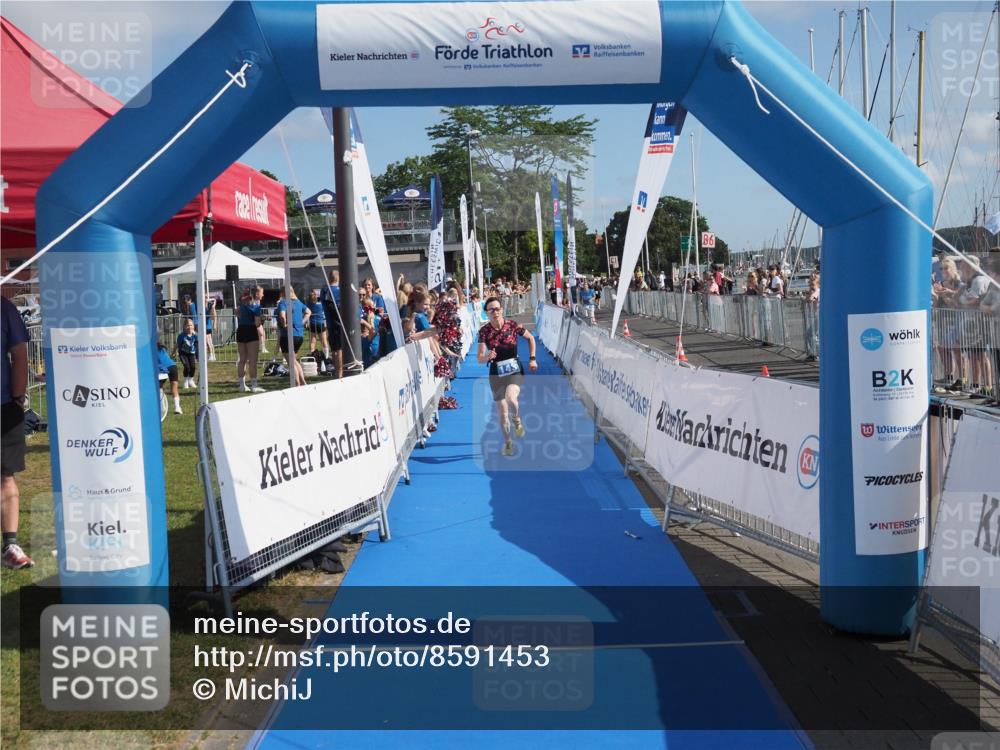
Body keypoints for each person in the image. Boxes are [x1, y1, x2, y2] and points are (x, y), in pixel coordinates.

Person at [477, 296, 538, 457]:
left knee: (511, 398)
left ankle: (517, 419)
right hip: (496, 372)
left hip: (514, 369)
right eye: (491, 310)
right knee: (502, 412)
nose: (495, 312)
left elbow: (531, 338)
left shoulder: (512, 325)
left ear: (502, 310)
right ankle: (508, 443)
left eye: (497, 309)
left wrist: (532, 359)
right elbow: (479, 359)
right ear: (486, 313)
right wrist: (487, 357)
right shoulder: (484, 331)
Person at [1, 296, 33, 568]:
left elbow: (20, 355)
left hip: (3, 406)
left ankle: (10, 544)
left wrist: (17, 397)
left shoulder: (5, 308)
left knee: (4, 476)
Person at [276, 289, 310, 387]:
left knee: (291, 362)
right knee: (294, 360)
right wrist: (302, 322)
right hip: (299, 335)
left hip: (288, 336)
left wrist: (284, 324)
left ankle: (297, 383)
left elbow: (282, 316)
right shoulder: (298, 302)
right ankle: (302, 381)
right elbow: (308, 312)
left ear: (283, 293)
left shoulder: (283, 302)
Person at [236, 286, 265, 393]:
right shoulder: (256, 306)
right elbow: (257, 323)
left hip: (241, 330)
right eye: (262, 293)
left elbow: (237, 312)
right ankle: (254, 385)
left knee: (242, 359)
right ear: (257, 294)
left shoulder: (243, 302)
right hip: (250, 330)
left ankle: (242, 385)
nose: (263, 295)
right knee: (252, 360)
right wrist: (262, 319)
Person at [320, 271, 343, 379]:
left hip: (330, 324)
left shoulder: (324, 290)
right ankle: (339, 374)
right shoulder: (337, 290)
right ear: (338, 278)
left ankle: (336, 373)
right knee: (339, 350)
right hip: (338, 324)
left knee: (334, 350)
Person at [187, 294, 217, 361]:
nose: (205, 299)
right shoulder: (196, 303)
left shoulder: (209, 304)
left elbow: (214, 315)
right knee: (206, 340)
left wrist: (215, 324)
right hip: (200, 324)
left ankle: (212, 355)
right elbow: (194, 315)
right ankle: (210, 355)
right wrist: (196, 325)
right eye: (204, 297)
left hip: (207, 325)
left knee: (208, 340)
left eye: (206, 297)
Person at [157, 341, 182, 414]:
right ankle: (177, 408)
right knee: (174, 388)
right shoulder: (162, 348)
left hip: (162, 369)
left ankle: (163, 408)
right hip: (172, 366)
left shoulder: (150, 351)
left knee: (159, 388)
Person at [306, 290, 329, 366]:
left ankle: (312, 356)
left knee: (313, 341)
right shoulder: (321, 304)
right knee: (324, 341)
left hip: (312, 324)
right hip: (320, 324)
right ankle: (326, 356)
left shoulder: (309, 304)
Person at [174, 318, 198, 389]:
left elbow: (197, 344)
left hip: (191, 353)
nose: (189, 327)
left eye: (191, 325)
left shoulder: (195, 335)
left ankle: (191, 380)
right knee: (187, 367)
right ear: (184, 327)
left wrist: (197, 356)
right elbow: (177, 345)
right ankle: (186, 381)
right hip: (183, 353)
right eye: (187, 325)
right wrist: (173, 353)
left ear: (193, 326)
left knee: (193, 367)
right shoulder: (181, 336)